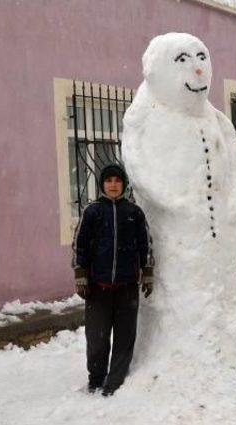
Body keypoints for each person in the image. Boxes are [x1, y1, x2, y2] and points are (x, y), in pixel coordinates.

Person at [72, 163, 153, 396]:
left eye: (118, 181)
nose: (113, 185)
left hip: (127, 287)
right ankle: (96, 378)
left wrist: (147, 272)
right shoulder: (93, 211)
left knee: (124, 338)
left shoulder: (134, 212)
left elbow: (146, 244)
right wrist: (80, 274)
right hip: (98, 287)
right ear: (102, 185)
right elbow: (80, 245)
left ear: (124, 184)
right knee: (97, 338)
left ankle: (114, 381)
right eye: (109, 181)